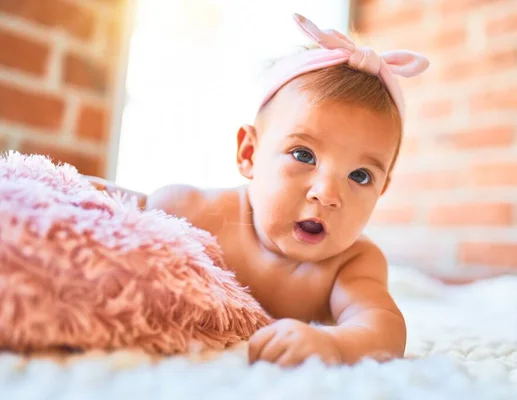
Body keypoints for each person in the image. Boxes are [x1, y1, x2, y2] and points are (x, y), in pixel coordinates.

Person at [87, 13, 429, 367]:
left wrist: (336, 345)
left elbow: (383, 328)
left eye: (359, 176)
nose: (326, 193)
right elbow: (112, 211)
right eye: (303, 155)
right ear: (249, 153)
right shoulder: (198, 211)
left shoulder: (352, 263)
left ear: (382, 189)